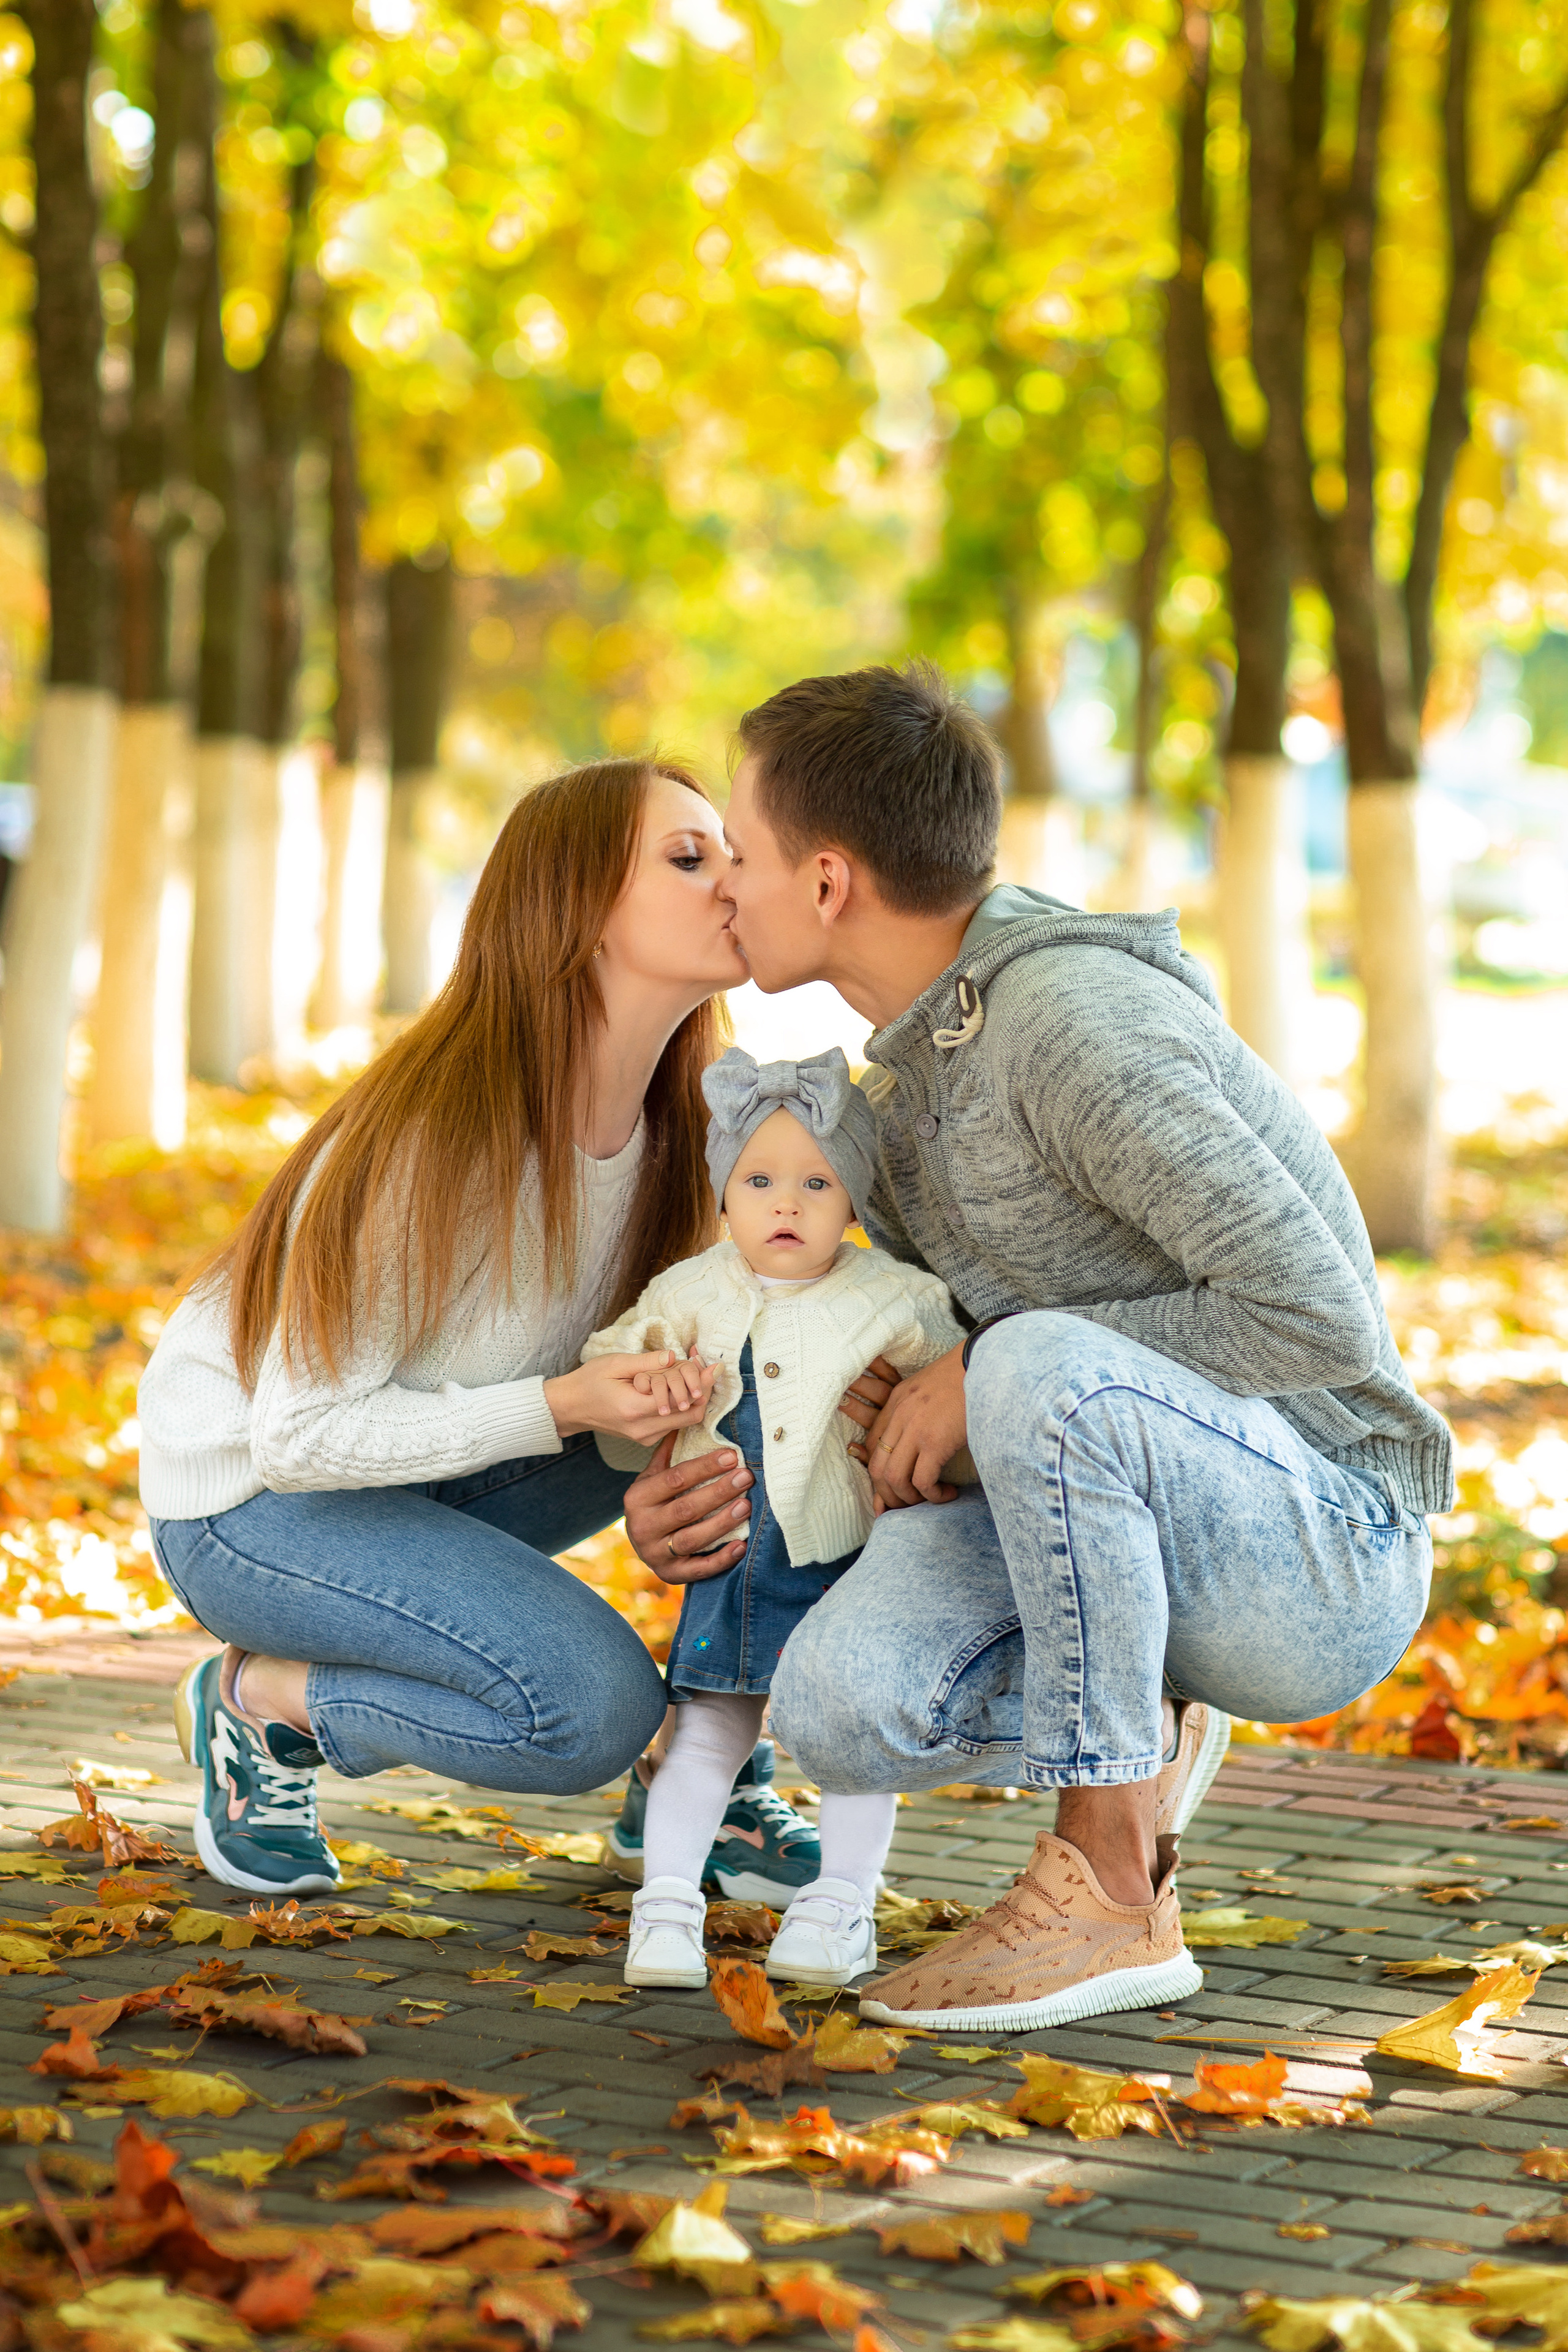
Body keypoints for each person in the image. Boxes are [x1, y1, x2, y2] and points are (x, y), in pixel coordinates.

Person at [619, 662, 1453, 2035]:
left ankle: (1108, 1887)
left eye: (746, 857)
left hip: (1320, 1547)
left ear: (827, 883)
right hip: (1118, 1493)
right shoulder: (895, 1100)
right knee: (835, 1709)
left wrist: (983, 1371)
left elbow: (1316, 1317)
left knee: (1032, 1365)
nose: (727, 888)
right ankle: (1148, 1709)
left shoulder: (1073, 1027)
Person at [136, 759, 822, 1900]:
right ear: (575, 903)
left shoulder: (697, 1133)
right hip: (252, 1505)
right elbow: (302, 1437)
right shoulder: (434, 1134)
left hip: (450, 1466)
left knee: (770, 1376)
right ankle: (256, 1706)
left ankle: (701, 1760)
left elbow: (658, 1395)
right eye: (687, 858)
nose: (729, 884)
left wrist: (660, 1467)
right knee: (583, 1709)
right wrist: (571, 1409)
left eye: (730, 858)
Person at [582, 1046, 966, 1988]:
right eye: (759, 1181)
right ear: (725, 1196)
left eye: (816, 1183)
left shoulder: (895, 1296)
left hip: (847, 1564)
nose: (786, 1205)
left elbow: (958, 1389)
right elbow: (611, 1361)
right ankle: (666, 1907)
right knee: (709, 1728)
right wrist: (646, 1384)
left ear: (854, 1202)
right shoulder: (691, 1291)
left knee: (852, 1742)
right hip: (730, 1557)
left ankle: (840, 1905)